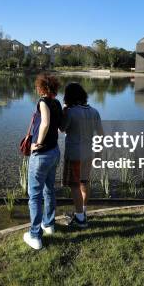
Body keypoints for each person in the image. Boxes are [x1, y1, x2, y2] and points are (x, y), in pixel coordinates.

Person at [23, 73, 62, 250]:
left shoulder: (43, 102)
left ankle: (35, 236)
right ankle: (49, 225)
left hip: (42, 154)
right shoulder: (57, 103)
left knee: (35, 195)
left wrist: (37, 143)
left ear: (41, 87)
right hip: (54, 152)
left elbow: (45, 123)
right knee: (49, 190)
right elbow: (61, 126)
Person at [60, 82, 103, 228]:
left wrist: (64, 110)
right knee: (84, 182)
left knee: (74, 185)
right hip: (89, 153)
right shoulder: (94, 111)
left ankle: (80, 219)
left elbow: (61, 128)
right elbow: (101, 134)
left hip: (74, 154)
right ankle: (83, 211)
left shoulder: (71, 112)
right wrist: (99, 152)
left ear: (69, 96)